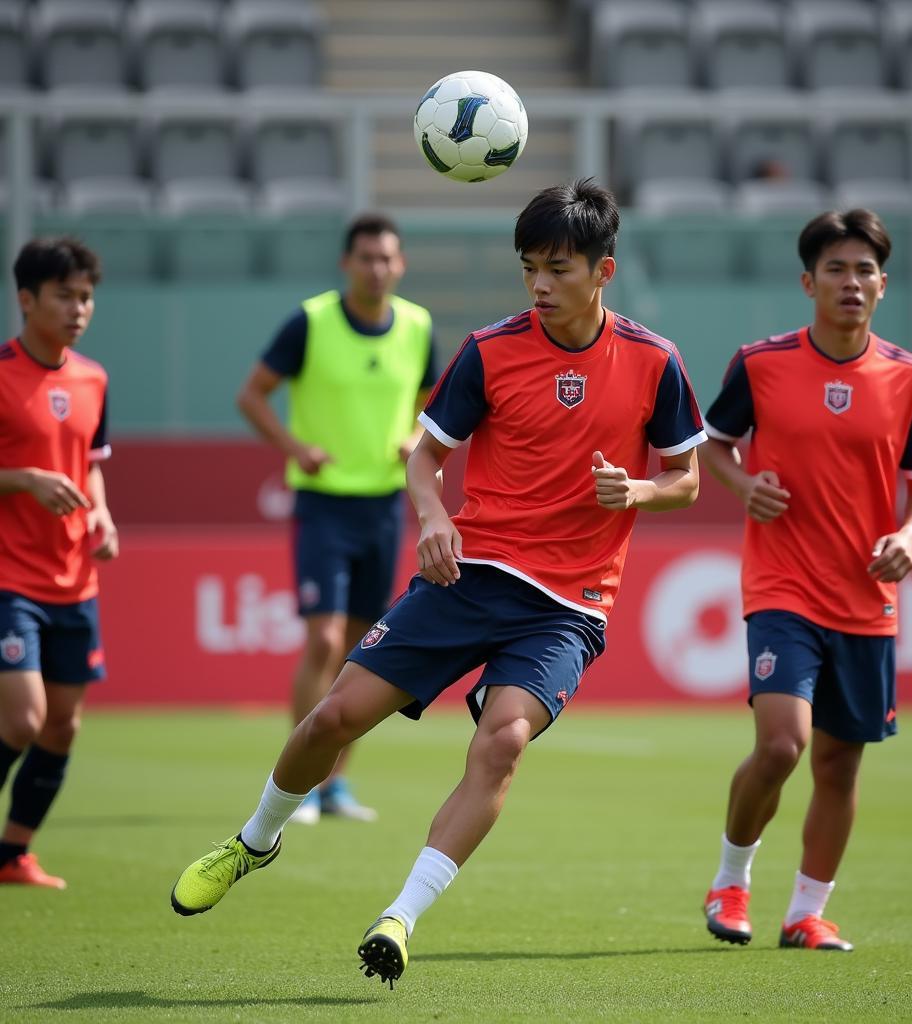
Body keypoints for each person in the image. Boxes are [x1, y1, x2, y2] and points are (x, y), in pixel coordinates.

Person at [170, 178, 706, 986]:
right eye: (530, 267)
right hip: (470, 573)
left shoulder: (654, 360)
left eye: (558, 268)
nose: (539, 285)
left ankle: (401, 915)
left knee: (505, 740)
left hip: (568, 606)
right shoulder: (491, 350)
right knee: (331, 719)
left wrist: (637, 490)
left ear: (605, 270)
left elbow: (688, 477)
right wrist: (432, 518)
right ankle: (254, 841)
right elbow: (425, 457)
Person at [700, 209, 912, 952]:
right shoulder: (761, 363)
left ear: (883, 284)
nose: (852, 282)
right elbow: (713, 445)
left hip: (866, 597)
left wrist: (910, 535)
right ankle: (731, 882)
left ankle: (807, 912)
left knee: (839, 766)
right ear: (808, 282)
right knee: (783, 745)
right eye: (837, 269)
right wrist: (744, 487)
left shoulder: (909, 377)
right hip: (781, 586)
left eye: (865, 269)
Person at [236, 213, 438, 825]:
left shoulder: (418, 325)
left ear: (400, 265)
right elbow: (252, 395)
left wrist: (412, 438)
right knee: (322, 639)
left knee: (359, 651)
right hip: (324, 505)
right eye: (366, 258)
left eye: (387, 258)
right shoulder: (311, 321)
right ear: (346, 264)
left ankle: (335, 787)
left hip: (382, 506)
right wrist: (297, 449)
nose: (377, 268)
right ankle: (293, 783)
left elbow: (430, 399)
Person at [0, 237, 118, 889]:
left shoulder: (93, 378)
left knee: (62, 725)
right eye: (65, 296)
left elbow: (92, 467)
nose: (79, 309)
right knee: (22, 718)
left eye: (87, 296)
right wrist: (24, 480)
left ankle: (14, 854)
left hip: (75, 580)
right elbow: (35, 474)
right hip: (9, 577)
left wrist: (101, 515)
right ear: (26, 300)